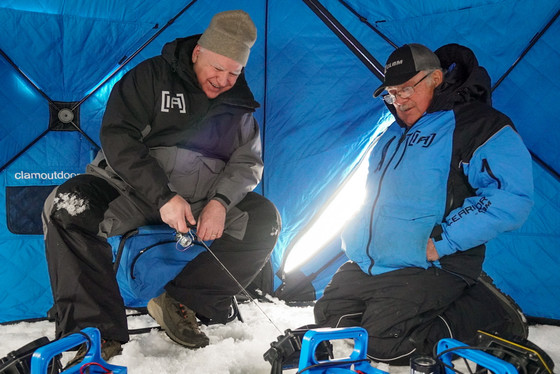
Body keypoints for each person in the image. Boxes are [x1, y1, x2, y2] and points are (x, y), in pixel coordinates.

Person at [42, 9, 281, 363]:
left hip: (201, 201)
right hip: (132, 191)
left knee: (263, 219)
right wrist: (163, 195)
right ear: (198, 51)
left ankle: (183, 301)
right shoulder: (152, 76)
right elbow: (118, 136)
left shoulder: (239, 106)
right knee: (67, 207)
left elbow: (248, 162)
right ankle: (93, 332)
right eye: (218, 67)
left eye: (235, 72)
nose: (224, 79)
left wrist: (220, 201)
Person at [313, 43, 534, 365]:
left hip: (434, 261)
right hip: (374, 262)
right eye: (391, 92)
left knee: (387, 344)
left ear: (435, 78)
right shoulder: (391, 133)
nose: (398, 100)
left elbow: (510, 197)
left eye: (406, 89)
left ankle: (493, 311)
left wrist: (442, 240)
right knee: (332, 319)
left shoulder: (479, 124)